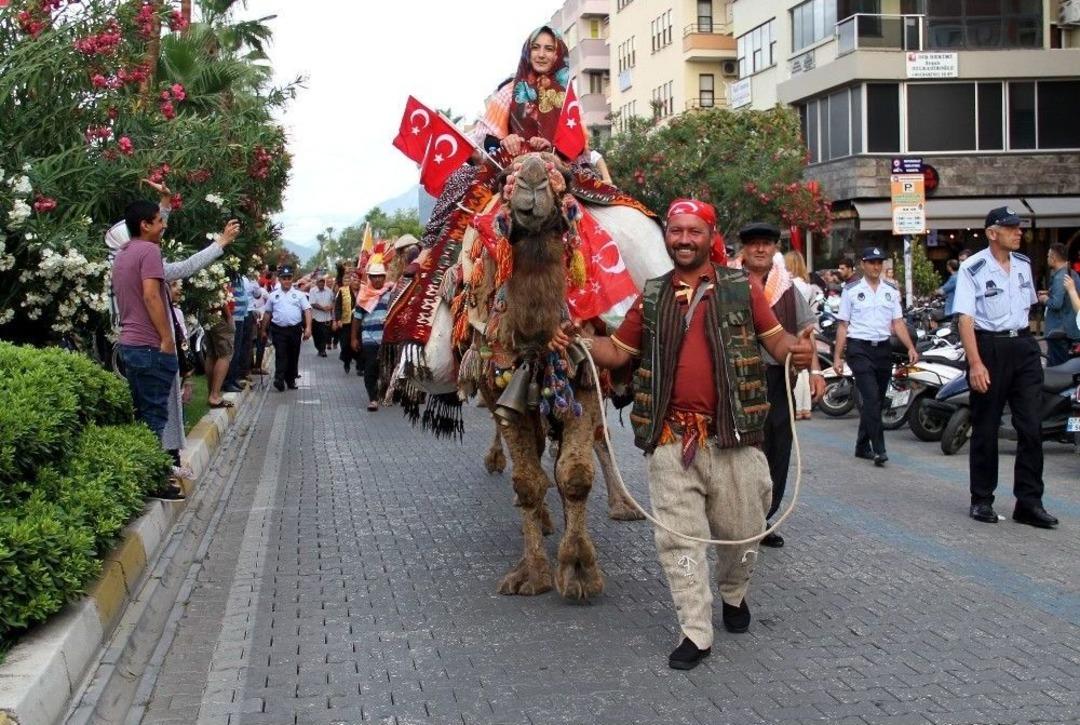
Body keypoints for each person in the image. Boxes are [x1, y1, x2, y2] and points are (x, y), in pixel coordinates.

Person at [576, 199, 815, 671]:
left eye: (693, 231)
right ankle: (695, 630)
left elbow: (777, 342)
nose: (683, 240)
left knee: (743, 534)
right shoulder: (651, 295)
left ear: (710, 234)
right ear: (668, 236)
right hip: (670, 440)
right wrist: (580, 341)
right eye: (675, 231)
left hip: (735, 439)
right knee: (677, 540)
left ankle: (734, 593)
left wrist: (800, 350)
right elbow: (619, 352)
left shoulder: (742, 289)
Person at [954, 207, 1058, 529]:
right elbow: (965, 319)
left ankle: (1029, 502)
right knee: (986, 426)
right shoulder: (972, 268)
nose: (1018, 232)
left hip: (1023, 347)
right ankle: (982, 499)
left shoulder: (1024, 264)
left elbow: (1027, 307)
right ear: (991, 233)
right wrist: (975, 363)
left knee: (1031, 427)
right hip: (990, 347)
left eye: (1019, 227)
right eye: (1010, 228)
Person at [736, 226, 825, 550]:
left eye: (767, 244)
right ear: (742, 250)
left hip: (777, 376)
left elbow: (805, 332)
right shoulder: (727, 282)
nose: (760, 250)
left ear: (775, 249)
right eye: (754, 244)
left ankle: (763, 517)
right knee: (739, 447)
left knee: (777, 447)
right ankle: (738, 517)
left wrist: (815, 371)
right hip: (737, 377)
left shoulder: (788, 287)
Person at [832, 246, 918, 467]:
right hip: (859, 348)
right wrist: (837, 357)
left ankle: (862, 445)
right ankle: (879, 449)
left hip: (882, 349)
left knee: (877, 400)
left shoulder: (890, 290)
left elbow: (897, 323)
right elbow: (843, 325)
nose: (876, 266)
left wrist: (910, 347)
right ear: (863, 264)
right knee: (870, 397)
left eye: (879, 263)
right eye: (871, 262)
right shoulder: (851, 290)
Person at [470, 25, 568, 157]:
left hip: (556, 169)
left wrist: (551, 147)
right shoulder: (509, 91)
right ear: (527, 52)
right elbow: (487, 140)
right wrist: (505, 141)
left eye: (549, 49)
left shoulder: (568, 97)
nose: (541, 55)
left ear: (558, 55)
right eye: (535, 47)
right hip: (513, 170)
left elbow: (577, 145)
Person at [260, 266, 312, 392]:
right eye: (284, 278)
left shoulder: (299, 295)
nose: (287, 281)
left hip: (294, 329)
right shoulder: (273, 296)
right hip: (279, 330)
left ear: (292, 279)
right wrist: (263, 330)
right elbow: (267, 313)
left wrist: (308, 328)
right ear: (280, 279)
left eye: (289, 278)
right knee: (281, 354)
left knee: (293, 355)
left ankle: (291, 379)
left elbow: (307, 311)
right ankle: (279, 379)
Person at [351, 262, 393, 411]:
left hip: (387, 339)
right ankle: (373, 399)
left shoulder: (390, 294)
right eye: (374, 277)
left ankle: (385, 391)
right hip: (369, 337)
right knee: (370, 367)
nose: (377, 280)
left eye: (380, 277)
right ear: (369, 278)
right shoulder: (363, 296)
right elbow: (356, 318)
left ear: (384, 277)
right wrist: (354, 338)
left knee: (387, 368)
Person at [785, 250, 820, 420]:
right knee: (805, 371)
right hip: (807, 325)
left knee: (796, 369)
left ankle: (798, 406)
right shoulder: (807, 286)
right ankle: (805, 407)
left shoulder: (788, 284)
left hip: (792, 326)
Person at [1039, 243, 1080, 366]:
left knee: (1057, 368)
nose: (1047, 259)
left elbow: (1056, 304)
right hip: (1071, 329)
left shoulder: (1059, 277)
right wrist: (1050, 292)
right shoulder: (1073, 273)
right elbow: (1070, 296)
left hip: (1058, 330)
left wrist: (1044, 299)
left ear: (1054, 258)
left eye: (1048, 256)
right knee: (1068, 366)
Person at [334, 271, 362, 374]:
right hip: (346, 323)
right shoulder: (343, 291)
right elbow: (337, 307)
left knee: (359, 344)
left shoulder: (364, 291)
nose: (356, 283)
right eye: (354, 280)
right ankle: (346, 361)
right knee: (345, 344)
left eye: (358, 281)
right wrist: (338, 319)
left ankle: (359, 366)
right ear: (350, 281)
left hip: (360, 322)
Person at [307, 275, 334, 357]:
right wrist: (323, 308)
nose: (321, 283)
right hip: (316, 318)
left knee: (325, 335)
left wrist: (331, 306)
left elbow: (334, 301)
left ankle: (323, 350)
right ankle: (319, 348)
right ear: (316, 283)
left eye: (323, 282)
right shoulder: (312, 291)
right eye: (320, 282)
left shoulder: (329, 291)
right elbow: (312, 303)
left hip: (326, 319)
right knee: (316, 336)